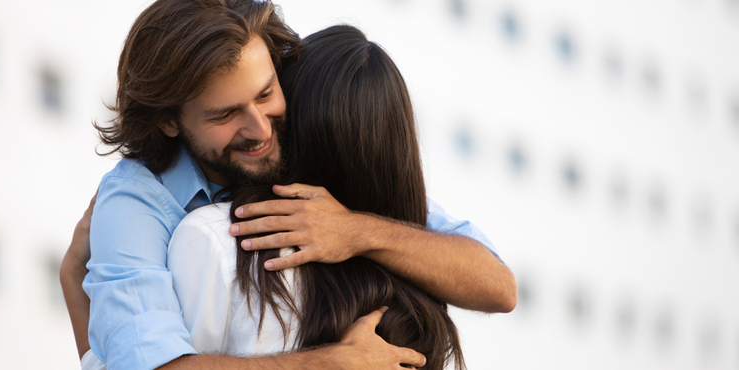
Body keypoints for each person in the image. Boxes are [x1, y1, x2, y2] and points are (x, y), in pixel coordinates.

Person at [59, 1, 516, 369]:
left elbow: (498, 286)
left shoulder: (292, 137)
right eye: (224, 114)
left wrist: (357, 230)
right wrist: (332, 364)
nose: (259, 129)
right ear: (168, 121)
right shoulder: (136, 200)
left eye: (265, 94)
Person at [167, 24, 466, 370]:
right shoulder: (425, 284)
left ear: (297, 118)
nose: (262, 127)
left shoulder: (216, 238)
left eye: (266, 96)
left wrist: (85, 300)